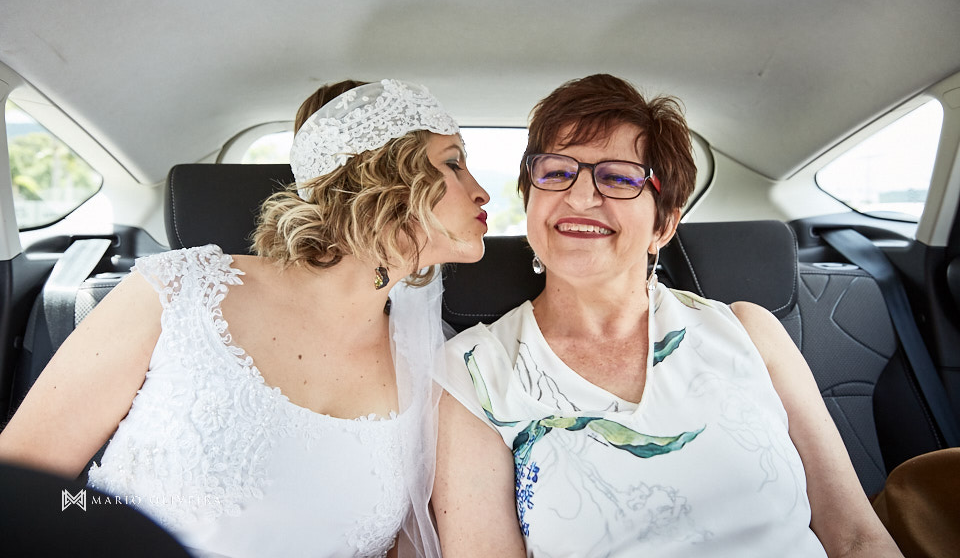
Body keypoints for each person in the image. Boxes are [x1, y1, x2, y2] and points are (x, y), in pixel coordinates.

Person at [0, 78, 490, 558]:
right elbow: (19, 490)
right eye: (454, 165)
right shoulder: (178, 292)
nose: (482, 192)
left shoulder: (431, 367)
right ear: (387, 178)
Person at [432, 74, 902, 557]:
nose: (579, 196)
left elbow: (856, 537)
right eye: (555, 172)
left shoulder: (749, 333)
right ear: (529, 198)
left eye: (617, 177)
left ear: (665, 224)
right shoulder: (471, 373)